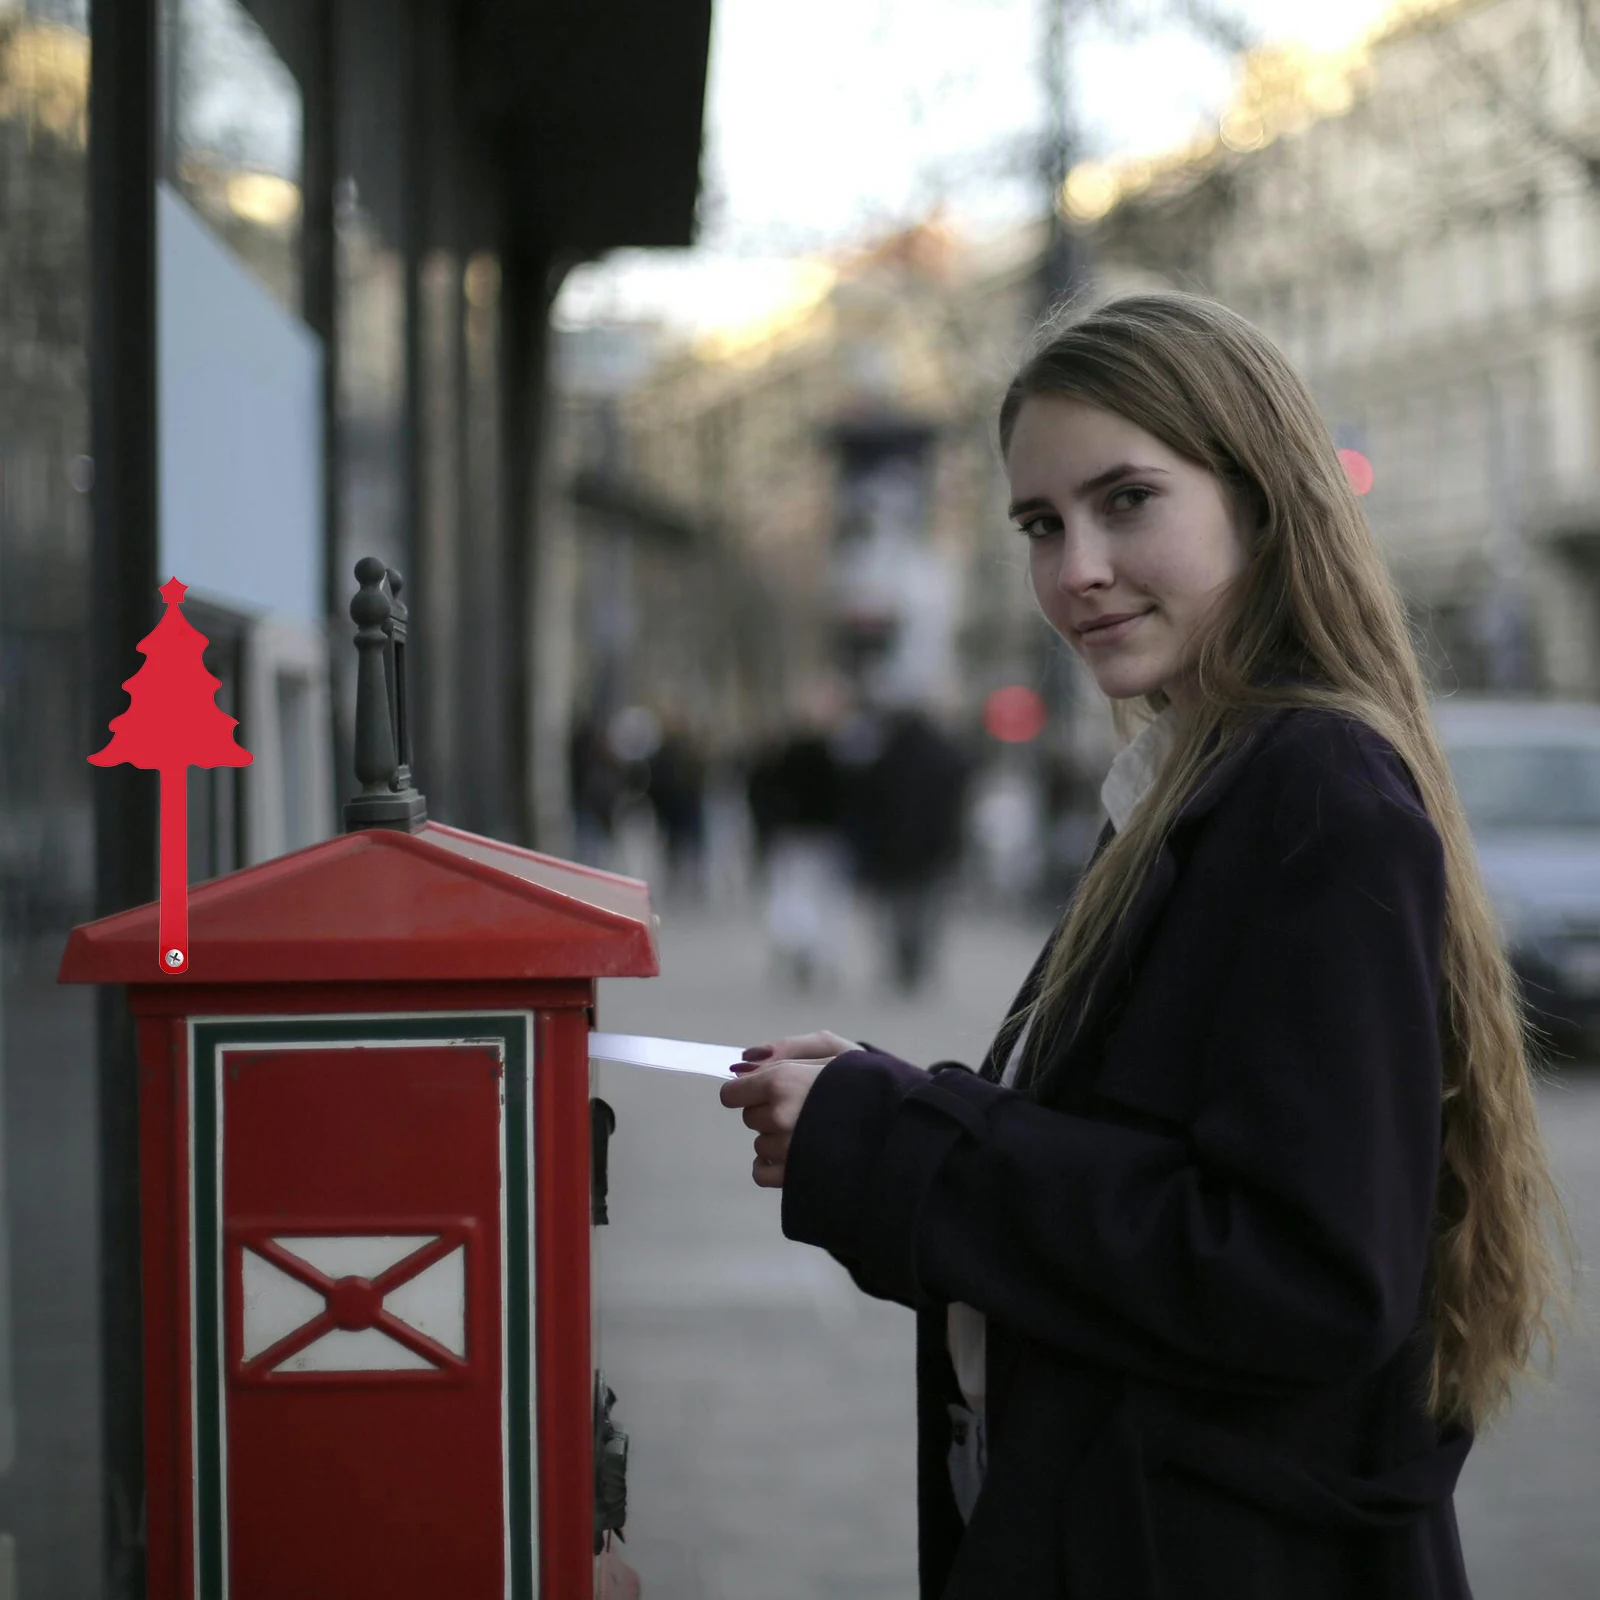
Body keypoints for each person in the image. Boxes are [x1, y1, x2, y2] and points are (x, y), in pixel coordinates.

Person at [718, 292, 1576, 1599]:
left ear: (1262, 498)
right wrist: (884, 1101)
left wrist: (899, 1145)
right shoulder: (1207, 779)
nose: (1075, 571)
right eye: (1039, 525)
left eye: (1127, 502)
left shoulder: (1311, 793)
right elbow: (1156, 1160)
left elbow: (1306, 1274)